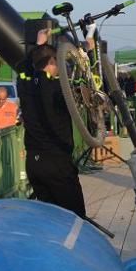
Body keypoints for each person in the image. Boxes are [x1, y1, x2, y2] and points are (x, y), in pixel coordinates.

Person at [16, 35, 87, 218]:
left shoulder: (25, 83)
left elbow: (22, 67)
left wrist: (37, 47)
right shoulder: (58, 88)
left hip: (34, 163)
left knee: (51, 220)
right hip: (57, 162)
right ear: (53, 61)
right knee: (75, 219)